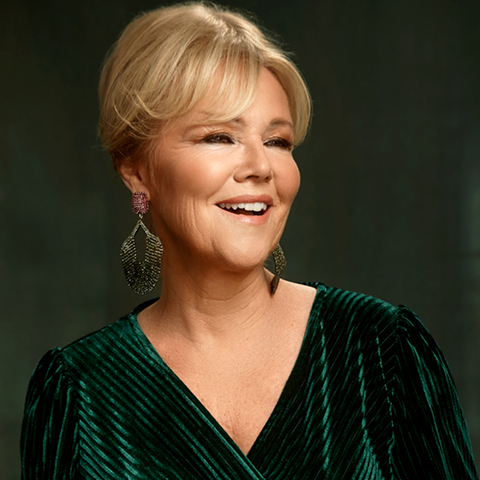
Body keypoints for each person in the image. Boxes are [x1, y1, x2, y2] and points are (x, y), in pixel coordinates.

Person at [21, 2, 478, 479]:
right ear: (136, 169)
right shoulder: (77, 393)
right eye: (219, 137)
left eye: (278, 141)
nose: (261, 167)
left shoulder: (383, 353)